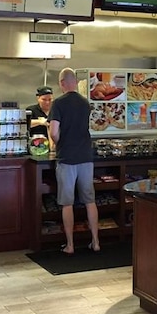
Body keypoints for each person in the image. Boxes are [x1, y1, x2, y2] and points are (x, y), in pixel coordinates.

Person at [48, 67, 100, 254]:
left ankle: (70, 245)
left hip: (67, 158)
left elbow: (54, 132)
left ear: (62, 83)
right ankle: (95, 242)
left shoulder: (58, 104)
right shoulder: (85, 103)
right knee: (90, 200)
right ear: (76, 82)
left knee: (67, 202)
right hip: (86, 156)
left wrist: (56, 143)